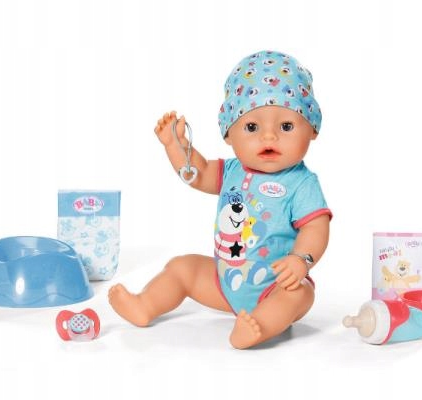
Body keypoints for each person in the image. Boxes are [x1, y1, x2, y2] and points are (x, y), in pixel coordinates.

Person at [109, 50, 332, 349]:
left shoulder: (301, 183)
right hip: (223, 282)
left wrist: (301, 260)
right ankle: (144, 305)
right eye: (252, 127)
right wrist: (175, 146)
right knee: (182, 268)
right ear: (229, 134)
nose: (269, 137)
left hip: (275, 287)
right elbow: (197, 173)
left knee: (300, 294)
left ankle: (259, 326)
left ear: (312, 129)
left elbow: (316, 227)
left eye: (286, 126)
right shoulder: (231, 170)